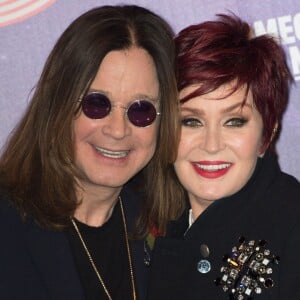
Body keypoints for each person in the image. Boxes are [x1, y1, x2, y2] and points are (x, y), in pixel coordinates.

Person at [0, 5, 179, 300]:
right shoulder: (8, 226)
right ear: (58, 104)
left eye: (141, 110)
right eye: (97, 104)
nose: (118, 130)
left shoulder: (166, 223)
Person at [147, 14, 300, 300]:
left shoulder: (293, 224)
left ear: (266, 134)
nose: (212, 145)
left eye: (234, 122)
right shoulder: (141, 222)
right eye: (191, 121)